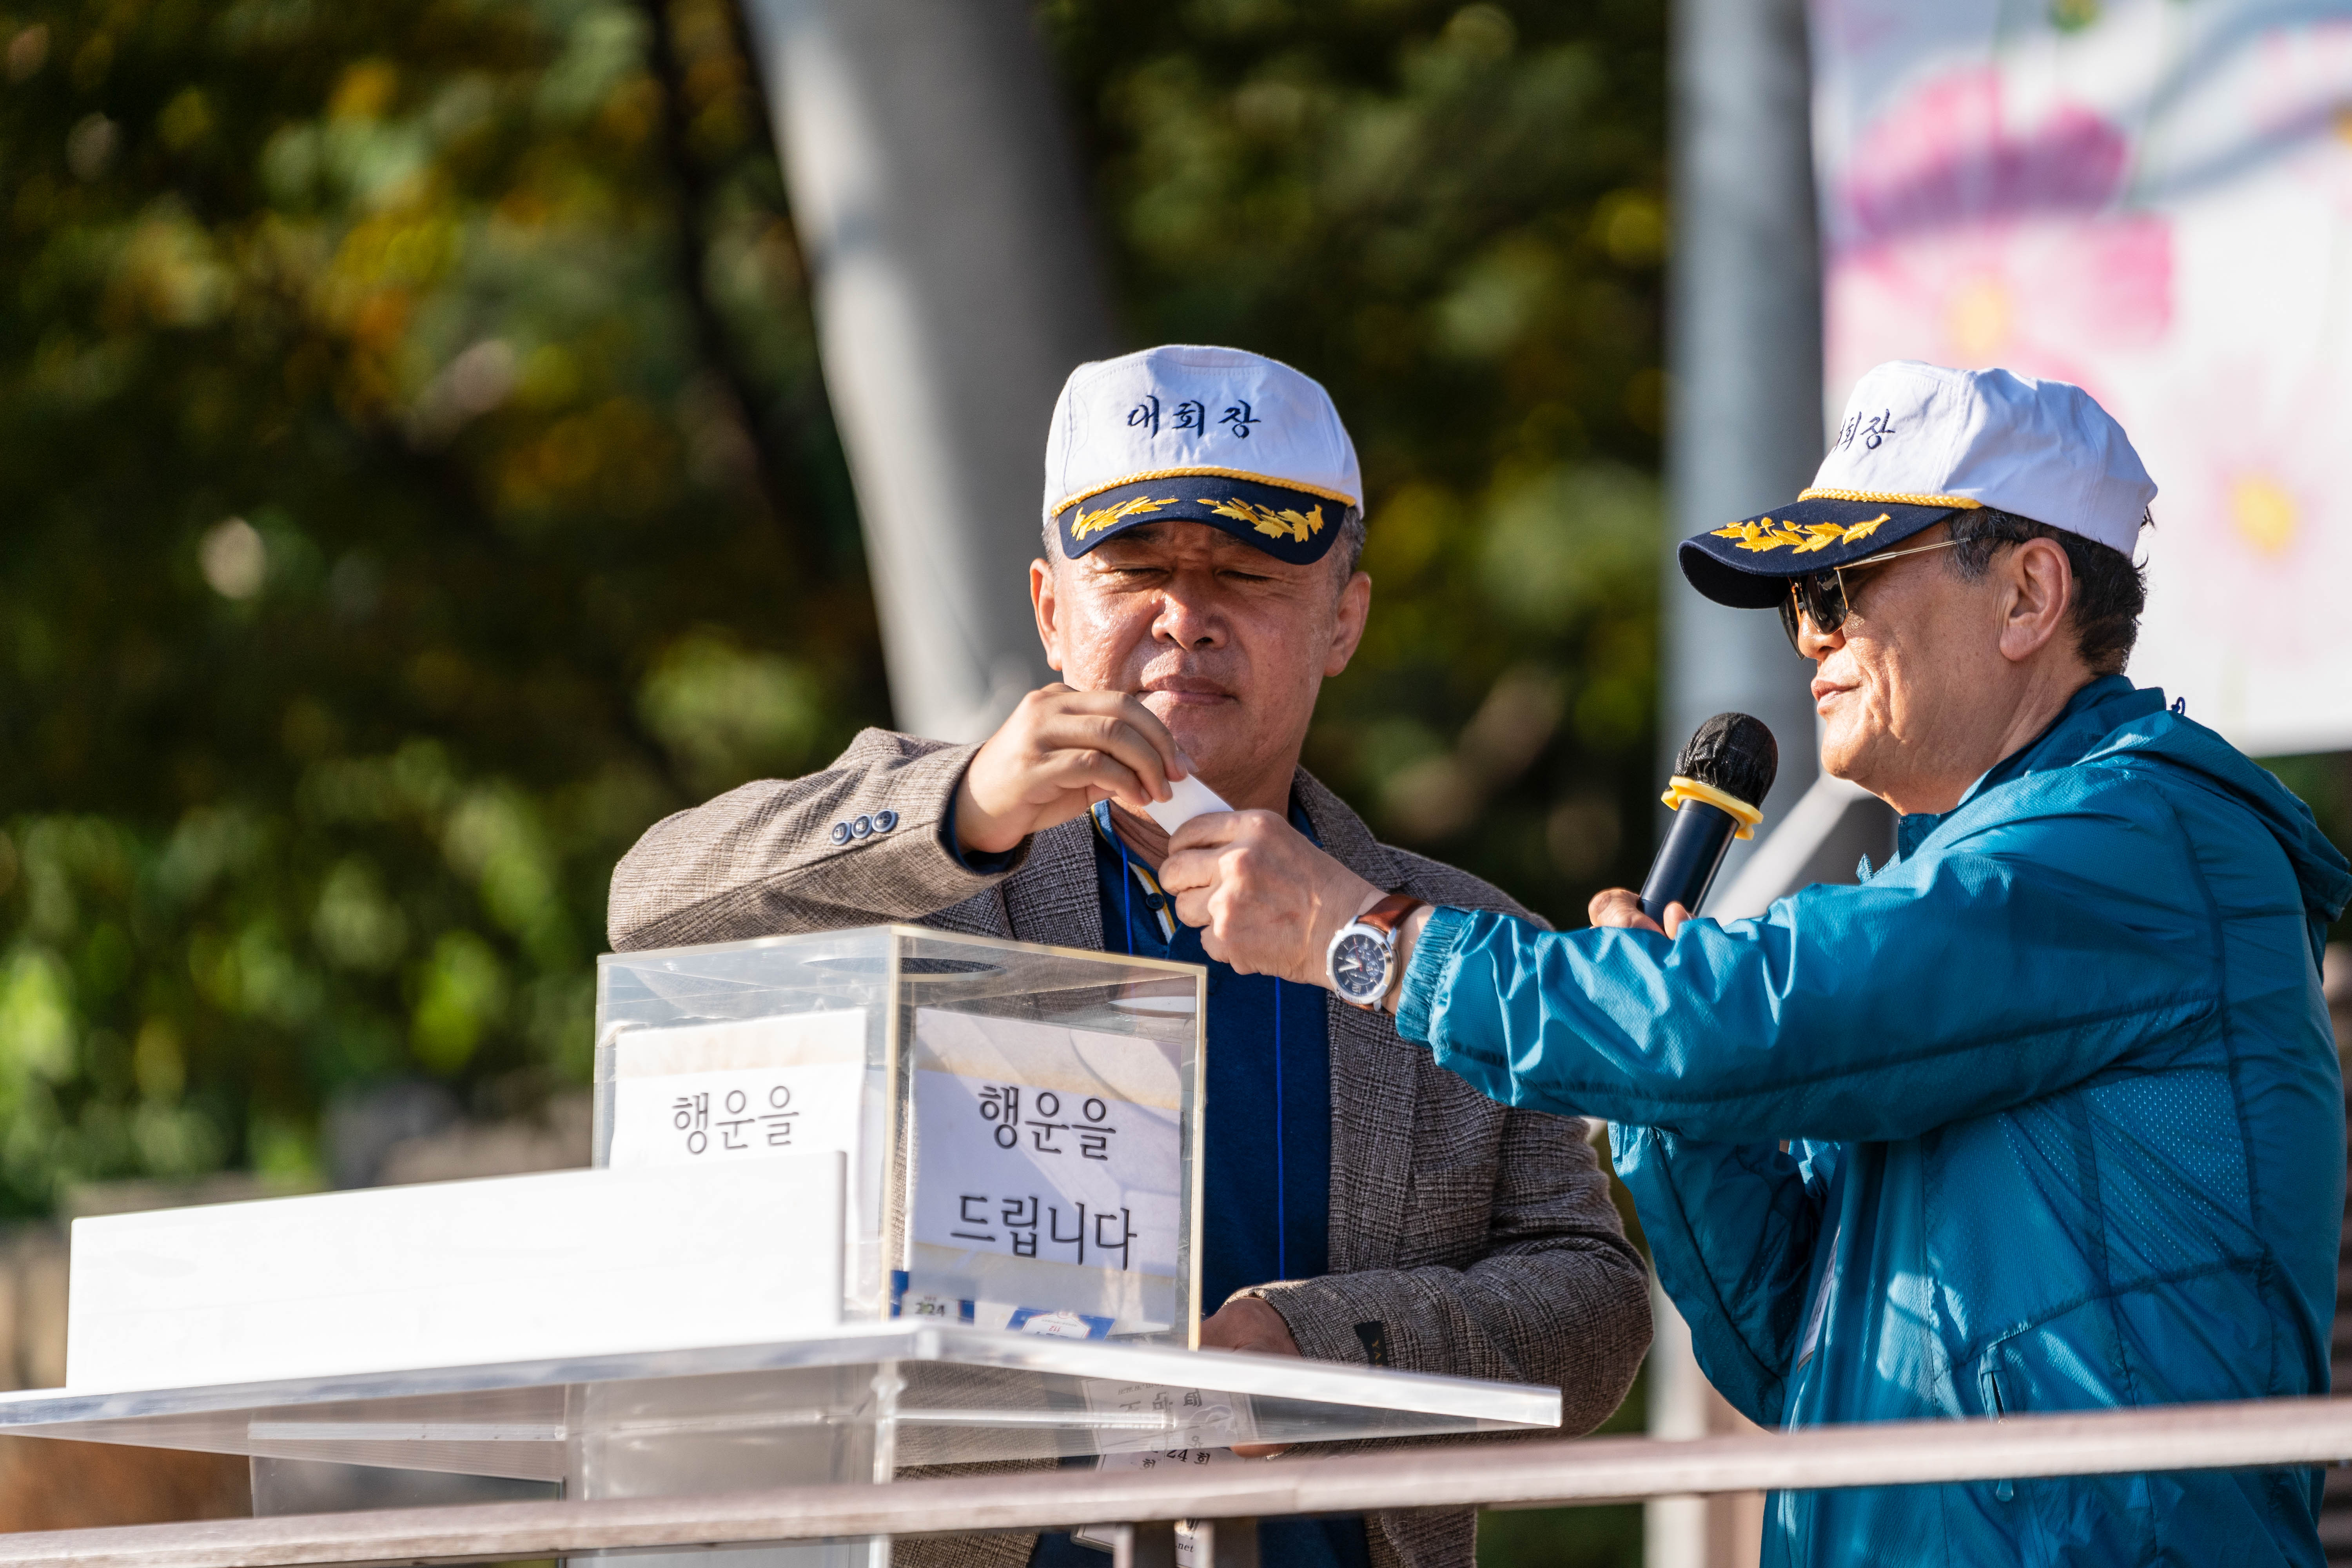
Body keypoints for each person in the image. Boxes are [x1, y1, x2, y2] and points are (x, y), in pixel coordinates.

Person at [1157, 361, 2352, 1566]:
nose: (1811, 630)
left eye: (1844, 583)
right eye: (1796, 599)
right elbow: (1792, 1352)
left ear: (2029, 594)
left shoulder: (2138, 840)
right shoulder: (1984, 887)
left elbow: (1752, 1014)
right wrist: (1671, 1097)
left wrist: (1368, 936)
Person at [606, 344, 1651, 1568]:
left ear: (1344, 620)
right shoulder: (932, 856)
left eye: (1250, 574)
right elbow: (650, 907)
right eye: (1135, 570)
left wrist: (1323, 1349)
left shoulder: (1450, 943)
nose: (1185, 616)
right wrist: (965, 808)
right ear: (1053, 611)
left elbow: (1595, 1309)